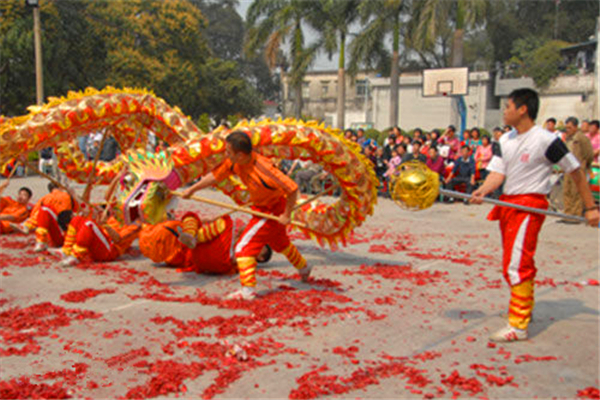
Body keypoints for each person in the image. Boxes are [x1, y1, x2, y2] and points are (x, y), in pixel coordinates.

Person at [471, 88, 599, 342]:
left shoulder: (546, 140)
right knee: (512, 262)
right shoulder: (505, 140)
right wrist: (482, 190)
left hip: (530, 205)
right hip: (508, 204)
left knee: (518, 263)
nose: (504, 111)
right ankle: (522, 308)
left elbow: (574, 170)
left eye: (508, 106)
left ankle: (518, 325)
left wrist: (590, 207)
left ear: (522, 109)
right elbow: (498, 173)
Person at [181, 131, 312, 300]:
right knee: (281, 243)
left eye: (228, 152)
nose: (226, 155)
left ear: (240, 155)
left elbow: (292, 188)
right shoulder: (234, 163)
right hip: (260, 207)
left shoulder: (264, 169)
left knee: (243, 248)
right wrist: (192, 189)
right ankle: (304, 268)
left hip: (272, 210)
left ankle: (248, 290)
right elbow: (215, 176)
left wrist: (287, 215)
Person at [138, 213, 272, 273]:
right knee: (192, 221)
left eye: (260, 248)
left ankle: (194, 237)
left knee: (225, 222)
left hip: (202, 252)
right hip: (183, 253)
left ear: (260, 258)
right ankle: (192, 236)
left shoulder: (248, 258)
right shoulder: (243, 242)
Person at [13, 182, 79, 252]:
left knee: (44, 209)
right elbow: (80, 209)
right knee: (45, 210)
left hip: (56, 235)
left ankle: (30, 228)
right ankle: (27, 227)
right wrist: (73, 195)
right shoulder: (68, 196)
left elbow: (34, 215)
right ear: (61, 188)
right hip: (68, 235)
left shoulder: (44, 198)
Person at [59, 211, 141, 266]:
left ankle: (76, 257)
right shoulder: (117, 218)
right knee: (76, 219)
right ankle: (66, 251)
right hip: (103, 243)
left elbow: (117, 239)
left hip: (110, 250)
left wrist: (105, 225)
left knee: (89, 224)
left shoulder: (135, 225)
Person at [561, 117, 594, 220]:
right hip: (568, 168)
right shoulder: (568, 138)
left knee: (576, 192)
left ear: (575, 127)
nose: (567, 130)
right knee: (567, 191)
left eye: (570, 127)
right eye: (566, 127)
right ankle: (567, 213)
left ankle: (575, 215)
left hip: (578, 168)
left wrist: (584, 164)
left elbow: (589, 154)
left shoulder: (581, 138)